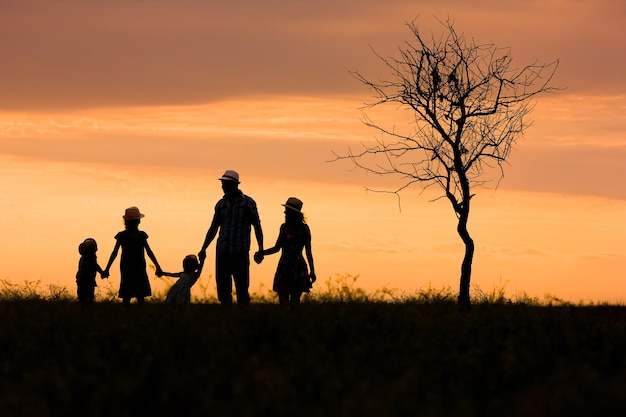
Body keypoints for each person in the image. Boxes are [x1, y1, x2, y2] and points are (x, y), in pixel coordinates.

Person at [198, 170, 264, 307]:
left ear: (234, 185)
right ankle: (227, 316)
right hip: (223, 252)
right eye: (223, 184)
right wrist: (204, 248)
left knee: (242, 288)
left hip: (240, 252)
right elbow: (214, 228)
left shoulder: (248, 203)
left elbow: (257, 226)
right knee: (223, 289)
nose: (223, 187)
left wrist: (261, 249)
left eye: (225, 184)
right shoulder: (220, 205)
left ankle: (242, 318)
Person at [255, 197, 316, 310]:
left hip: (296, 267)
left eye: (287, 211)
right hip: (285, 266)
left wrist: (312, 270)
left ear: (293, 213)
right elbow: (277, 248)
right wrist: (262, 253)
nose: (285, 213)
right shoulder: (284, 228)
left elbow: (308, 251)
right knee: (283, 302)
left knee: (294, 302)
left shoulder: (304, 229)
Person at [103, 206, 163, 308]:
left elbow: (114, 253)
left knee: (129, 294)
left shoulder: (124, 236)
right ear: (138, 221)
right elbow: (149, 252)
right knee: (138, 295)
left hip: (130, 267)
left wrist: (107, 269)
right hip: (135, 267)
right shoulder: (140, 236)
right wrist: (158, 267)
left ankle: (128, 315)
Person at [75, 237, 106, 308]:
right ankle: (86, 311)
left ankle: (84, 310)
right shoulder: (90, 259)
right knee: (88, 297)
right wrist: (102, 272)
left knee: (84, 298)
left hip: (83, 280)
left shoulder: (84, 258)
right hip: (86, 280)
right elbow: (95, 266)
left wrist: (101, 272)